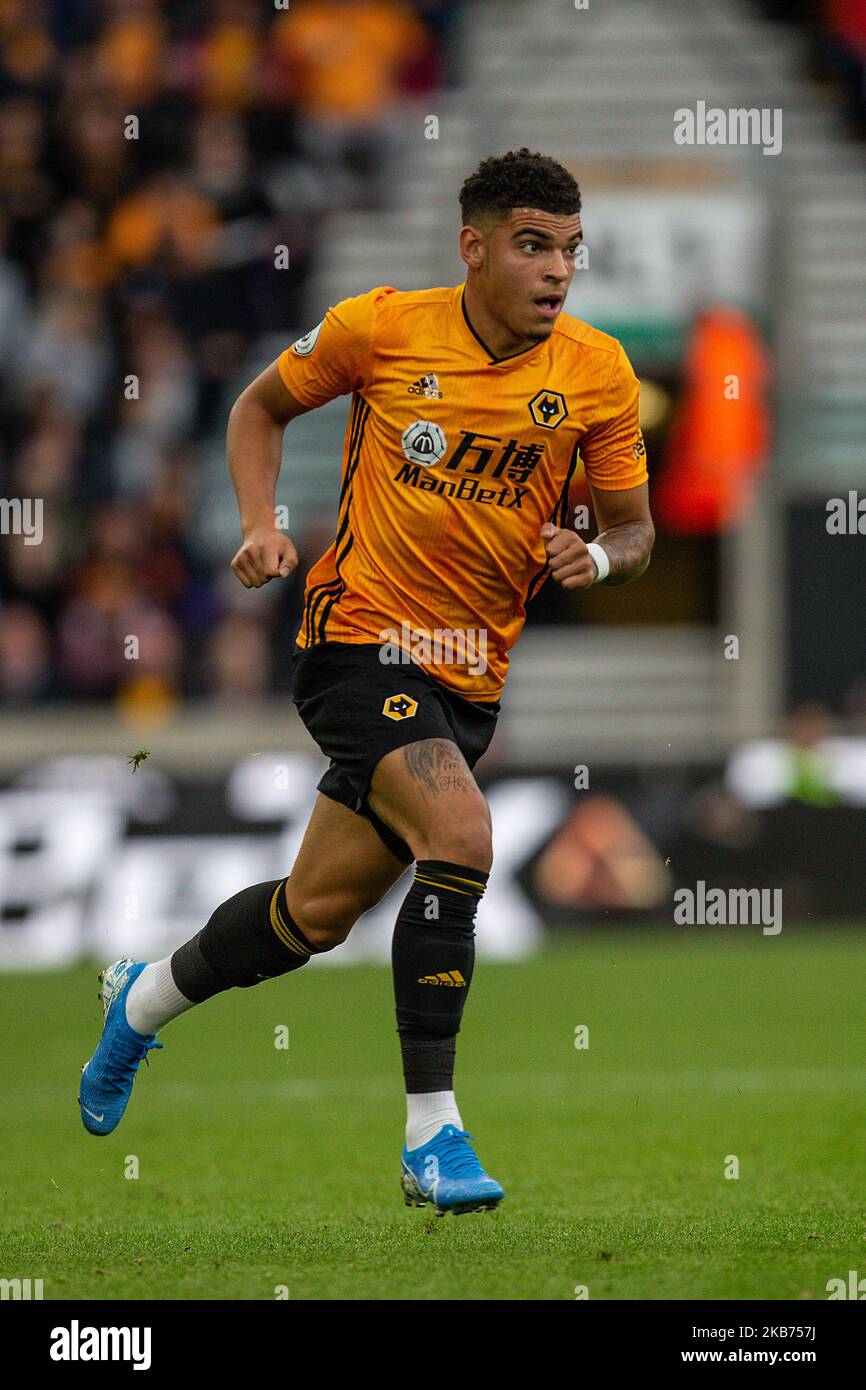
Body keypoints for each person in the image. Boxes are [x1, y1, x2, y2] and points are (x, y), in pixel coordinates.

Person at [80, 147, 655, 1216]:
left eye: (569, 251)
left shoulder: (597, 373)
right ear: (472, 247)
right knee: (465, 839)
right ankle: (429, 1134)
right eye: (532, 245)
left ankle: (140, 1002)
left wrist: (603, 557)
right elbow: (256, 408)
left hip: (468, 680)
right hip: (355, 644)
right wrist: (260, 522)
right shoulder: (381, 329)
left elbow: (634, 530)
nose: (556, 272)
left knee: (312, 916)